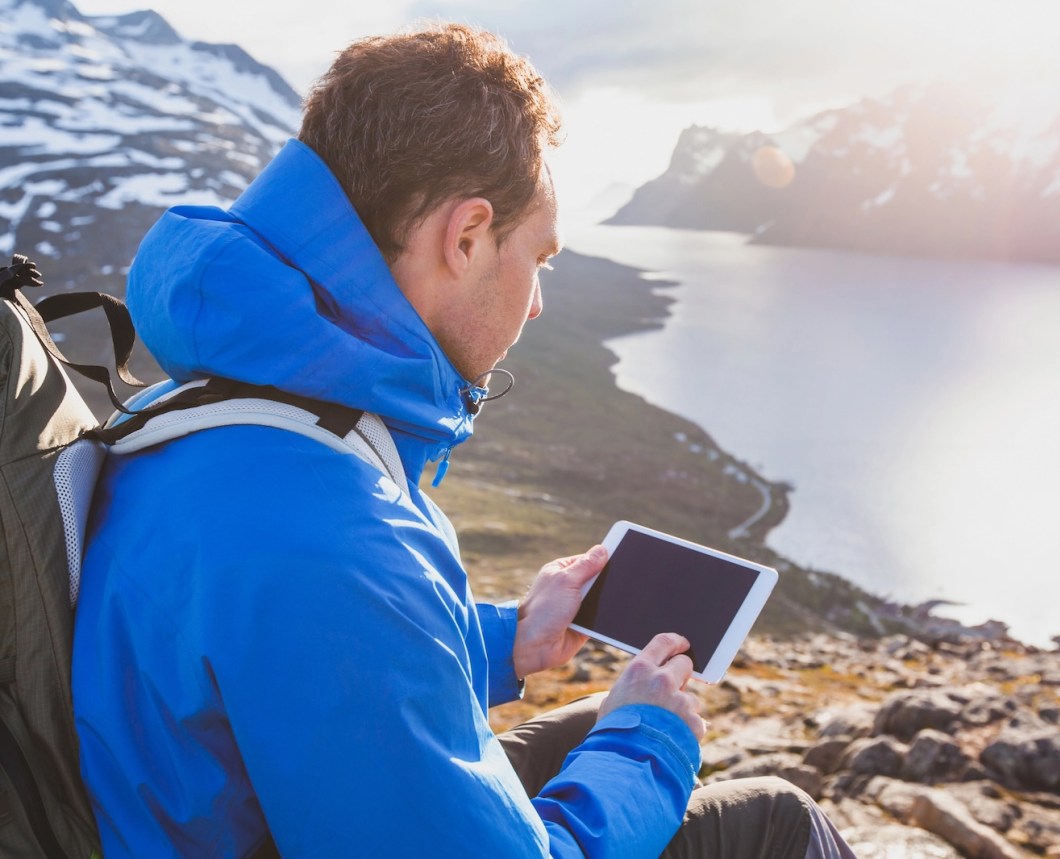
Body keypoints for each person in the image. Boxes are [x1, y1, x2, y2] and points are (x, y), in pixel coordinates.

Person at [71, 23, 857, 859]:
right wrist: (649, 745)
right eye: (541, 259)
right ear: (468, 236)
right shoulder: (336, 539)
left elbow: (306, 674)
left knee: (604, 717)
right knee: (772, 814)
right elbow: (340, 615)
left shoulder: (206, 407)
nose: (539, 302)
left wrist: (507, 638)